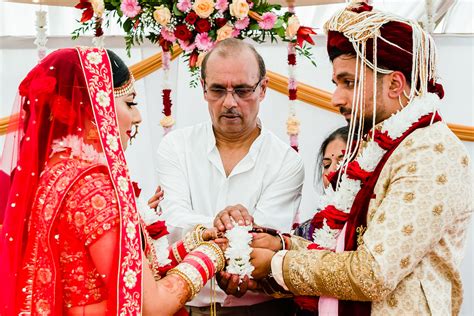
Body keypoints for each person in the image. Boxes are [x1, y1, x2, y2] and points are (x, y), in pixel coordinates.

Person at [248, 2, 472, 315]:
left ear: (394, 84)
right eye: (336, 83)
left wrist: (278, 264)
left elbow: (373, 272)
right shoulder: (381, 147)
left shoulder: (430, 152)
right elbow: (346, 247)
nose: (336, 98)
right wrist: (283, 246)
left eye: (349, 82)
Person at [0, 47, 226, 315]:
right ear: (96, 106)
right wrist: (211, 256)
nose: (138, 116)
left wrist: (193, 242)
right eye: (130, 103)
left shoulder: (56, 171)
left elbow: (130, 267)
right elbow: (152, 305)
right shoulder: (93, 190)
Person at [156, 38, 304, 315]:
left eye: (242, 90)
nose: (229, 102)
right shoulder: (176, 146)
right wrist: (219, 227)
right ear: (203, 89)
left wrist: (217, 234)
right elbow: (173, 222)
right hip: (183, 305)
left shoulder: (286, 161)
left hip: (258, 310)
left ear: (263, 89)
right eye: (217, 90)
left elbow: (264, 239)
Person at [294, 126, 349, 240]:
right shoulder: (305, 232)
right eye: (326, 165)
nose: (331, 171)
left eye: (342, 161)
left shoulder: (374, 221)